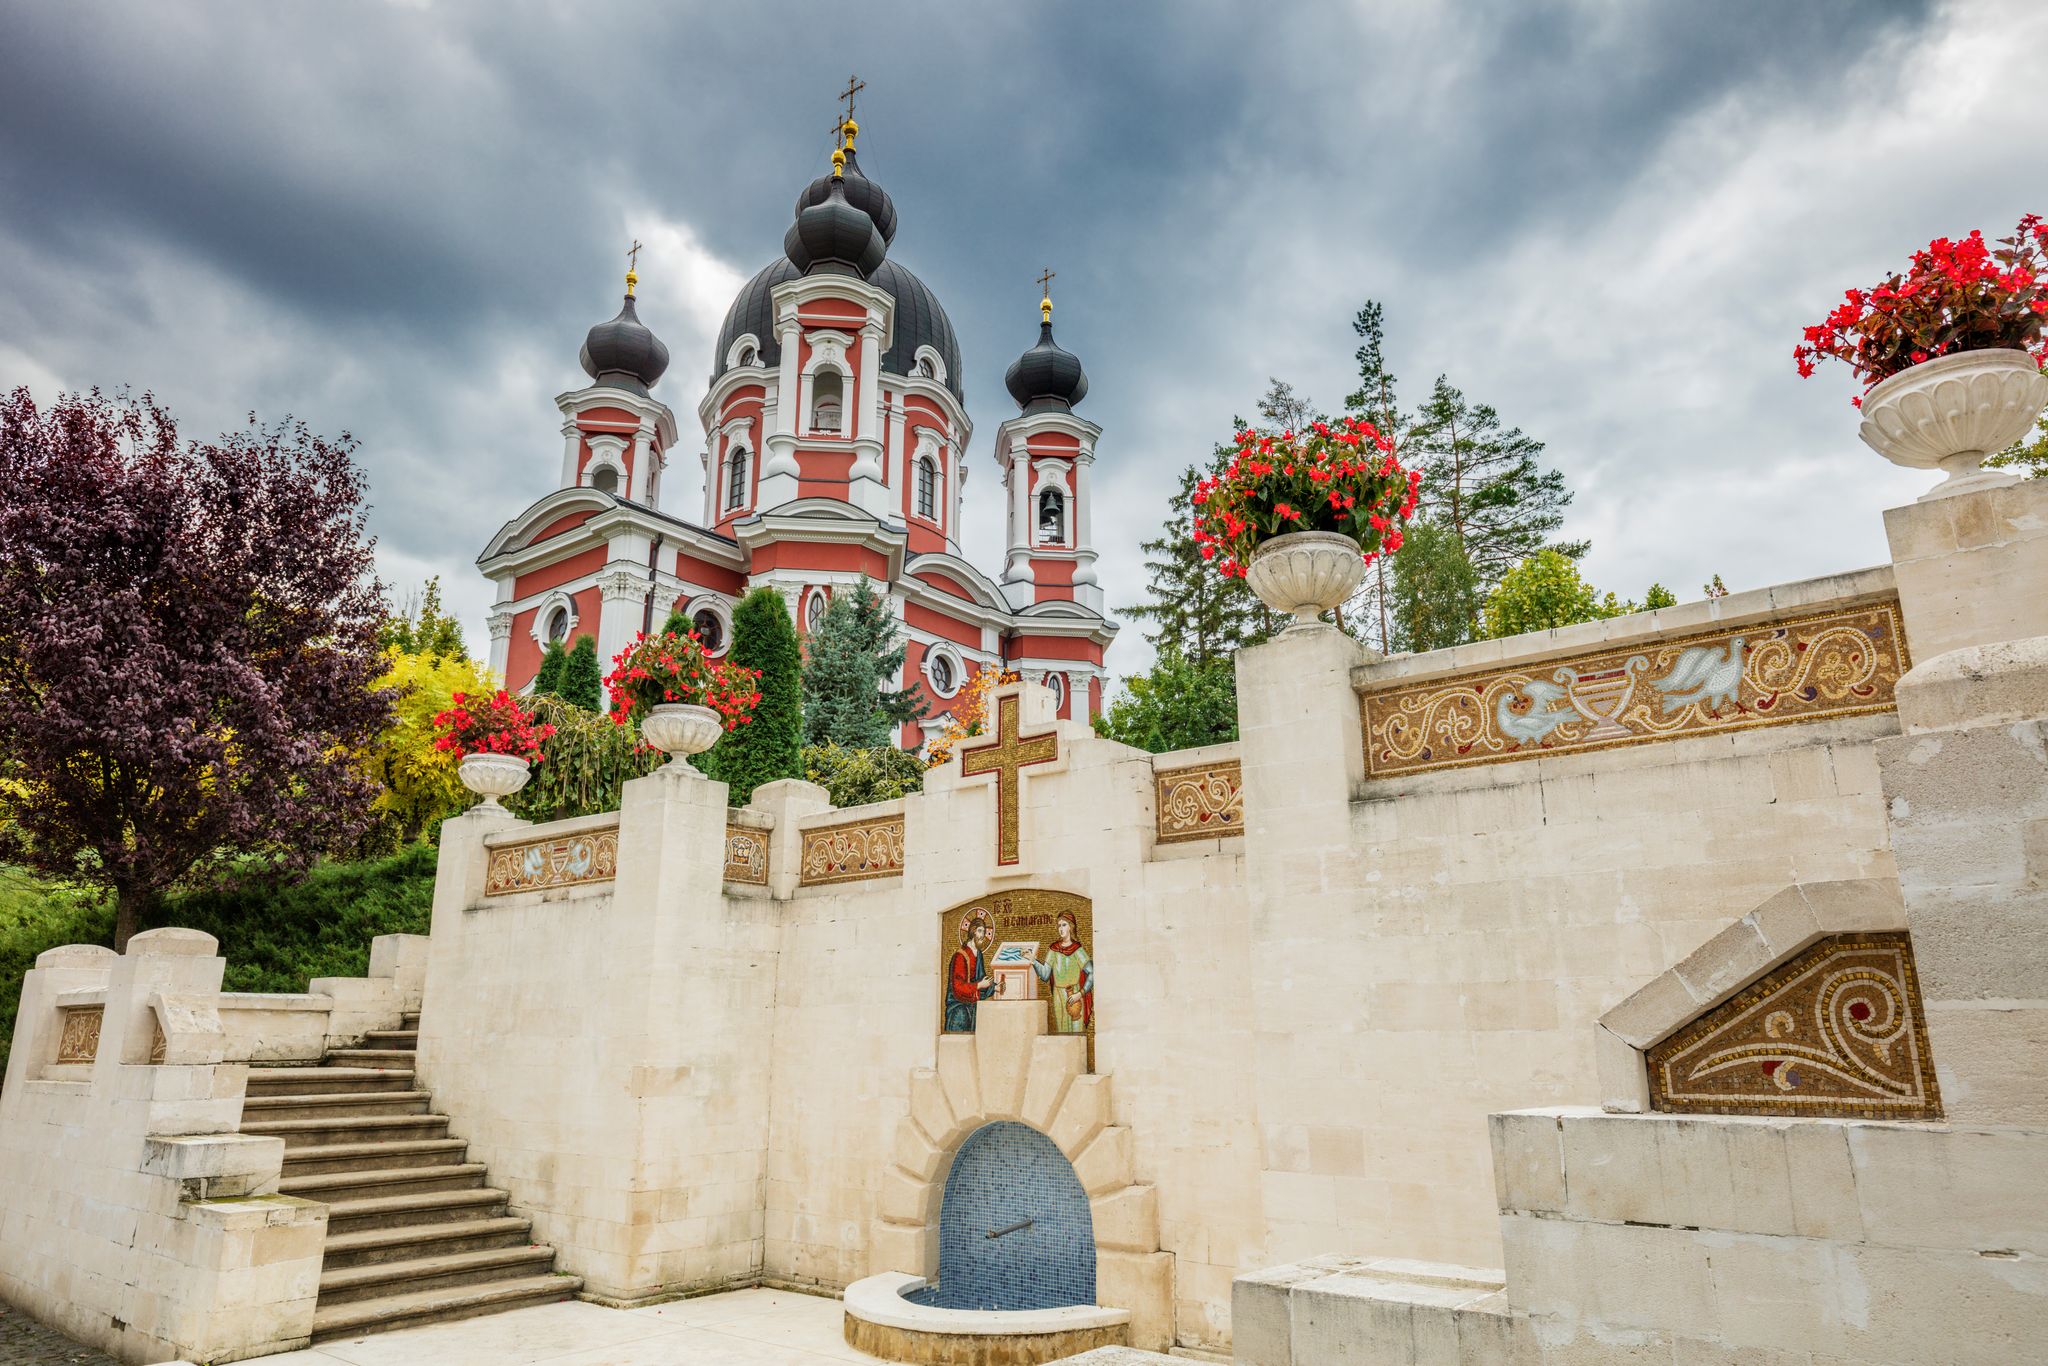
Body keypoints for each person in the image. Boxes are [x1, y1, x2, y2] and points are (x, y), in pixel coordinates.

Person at [1033, 911, 1092, 1034]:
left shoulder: (1077, 950)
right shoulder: (1053, 949)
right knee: (1062, 1032)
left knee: (1076, 1032)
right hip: (1058, 996)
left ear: (1071, 926)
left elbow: (1092, 973)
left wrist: (1080, 994)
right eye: (1059, 925)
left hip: (1074, 995)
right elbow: (1044, 975)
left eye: (1064, 925)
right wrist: (1033, 960)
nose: (1061, 928)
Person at [945, 908, 997, 1032]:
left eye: (984, 932)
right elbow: (958, 987)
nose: (982, 935)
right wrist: (979, 985)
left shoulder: (978, 954)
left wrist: (994, 987)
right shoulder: (960, 956)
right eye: (979, 931)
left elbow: (981, 979)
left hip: (972, 1004)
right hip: (958, 1007)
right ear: (972, 932)